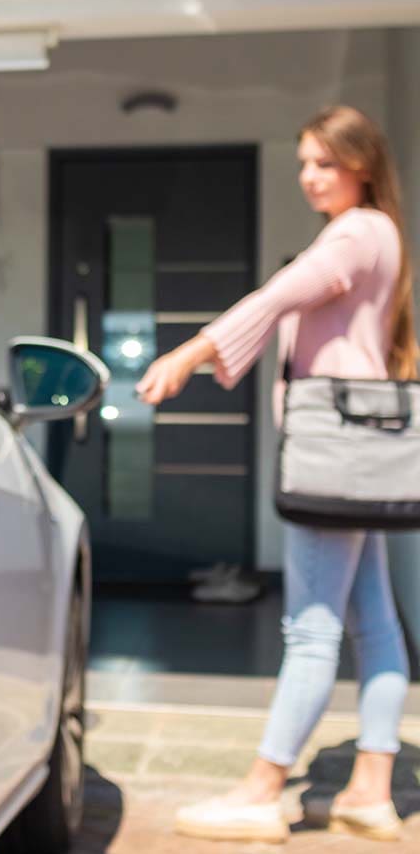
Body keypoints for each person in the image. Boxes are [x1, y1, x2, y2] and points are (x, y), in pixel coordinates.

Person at [137, 105, 417, 844]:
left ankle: (263, 791)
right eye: (303, 163)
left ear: (362, 163)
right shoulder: (381, 234)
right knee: (376, 623)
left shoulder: (357, 233)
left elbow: (283, 294)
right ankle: (370, 790)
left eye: (324, 162)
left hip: (334, 454)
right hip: (357, 454)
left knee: (312, 629)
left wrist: (191, 353)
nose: (309, 177)